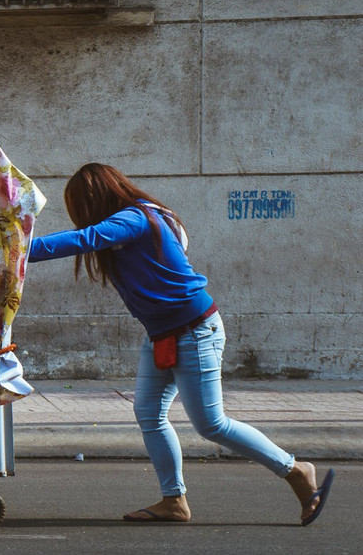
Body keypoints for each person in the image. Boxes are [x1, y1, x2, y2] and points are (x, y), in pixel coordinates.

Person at [28, 163, 334, 525]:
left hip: (194, 330)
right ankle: (173, 500)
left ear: (97, 199)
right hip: (163, 335)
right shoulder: (142, 221)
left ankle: (295, 469)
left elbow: (84, 239)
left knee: (211, 424)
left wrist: (14, 249)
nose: (81, 217)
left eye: (80, 207)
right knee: (149, 414)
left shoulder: (136, 218)